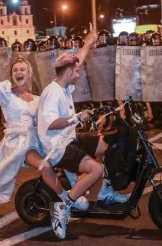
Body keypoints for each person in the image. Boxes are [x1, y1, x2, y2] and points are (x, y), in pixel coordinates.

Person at [0, 49, 89, 208]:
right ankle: (66, 200)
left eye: (22, 70)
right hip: (21, 143)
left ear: (29, 74)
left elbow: (67, 74)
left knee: (69, 154)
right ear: (11, 74)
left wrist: (87, 46)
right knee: (45, 166)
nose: (18, 72)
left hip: (39, 139)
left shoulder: (37, 99)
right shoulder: (6, 94)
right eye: (15, 70)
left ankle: (77, 187)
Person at [38, 31, 129, 239]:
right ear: (69, 71)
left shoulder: (64, 86)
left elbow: (78, 57)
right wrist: (76, 118)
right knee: (95, 170)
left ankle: (106, 193)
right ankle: (63, 208)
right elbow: (51, 124)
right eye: (77, 71)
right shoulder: (53, 92)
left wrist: (88, 42)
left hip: (69, 138)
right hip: (57, 147)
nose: (79, 73)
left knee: (109, 144)